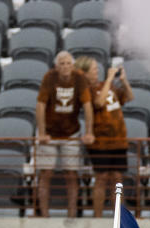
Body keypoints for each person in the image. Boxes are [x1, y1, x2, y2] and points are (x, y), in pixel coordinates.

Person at [35, 51, 94, 217]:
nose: (65, 66)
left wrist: (89, 132)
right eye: (62, 63)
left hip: (71, 132)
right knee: (46, 173)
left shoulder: (79, 78)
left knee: (71, 173)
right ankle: (44, 215)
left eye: (68, 63)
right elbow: (40, 105)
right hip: (50, 132)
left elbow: (87, 106)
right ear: (56, 66)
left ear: (73, 65)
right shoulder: (49, 77)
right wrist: (41, 132)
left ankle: (72, 213)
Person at [75, 57, 133, 218]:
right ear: (84, 73)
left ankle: (119, 217)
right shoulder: (85, 90)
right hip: (100, 142)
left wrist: (124, 81)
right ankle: (98, 215)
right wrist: (109, 79)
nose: (97, 71)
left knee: (117, 178)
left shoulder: (106, 86)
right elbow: (99, 103)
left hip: (118, 140)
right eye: (94, 69)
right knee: (101, 177)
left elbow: (128, 97)